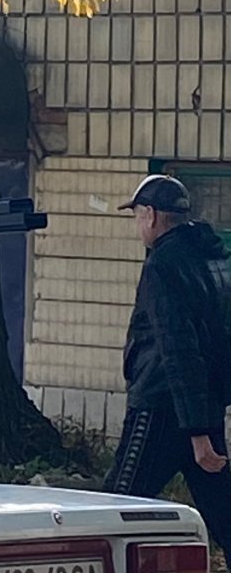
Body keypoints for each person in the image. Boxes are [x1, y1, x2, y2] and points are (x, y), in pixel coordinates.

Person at [105, 174, 231, 550]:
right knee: (223, 513)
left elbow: (177, 345)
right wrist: (205, 418)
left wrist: (196, 431)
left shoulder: (162, 264)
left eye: (137, 215)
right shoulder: (212, 259)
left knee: (113, 506)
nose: (138, 225)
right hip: (203, 403)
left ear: (151, 214)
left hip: (160, 405)